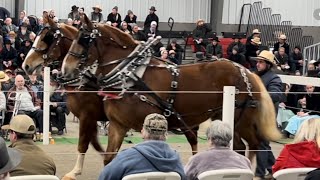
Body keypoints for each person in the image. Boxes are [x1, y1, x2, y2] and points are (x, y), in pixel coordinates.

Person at [98, 113, 186, 180]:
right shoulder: (176, 160)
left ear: (143, 132)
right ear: (166, 135)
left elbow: (104, 177)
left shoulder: (125, 157)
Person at [184, 120, 251, 180]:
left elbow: (184, 177)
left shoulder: (196, 160)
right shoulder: (245, 162)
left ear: (210, 139)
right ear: (229, 139)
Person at [252, 50, 283, 180]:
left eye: (261, 62)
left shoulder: (274, 78)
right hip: (256, 115)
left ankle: (259, 174)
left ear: (268, 64)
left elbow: (276, 95)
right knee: (263, 144)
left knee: (261, 144)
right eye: (257, 62)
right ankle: (273, 169)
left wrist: (258, 96)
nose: (257, 64)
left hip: (266, 117)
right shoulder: (255, 76)